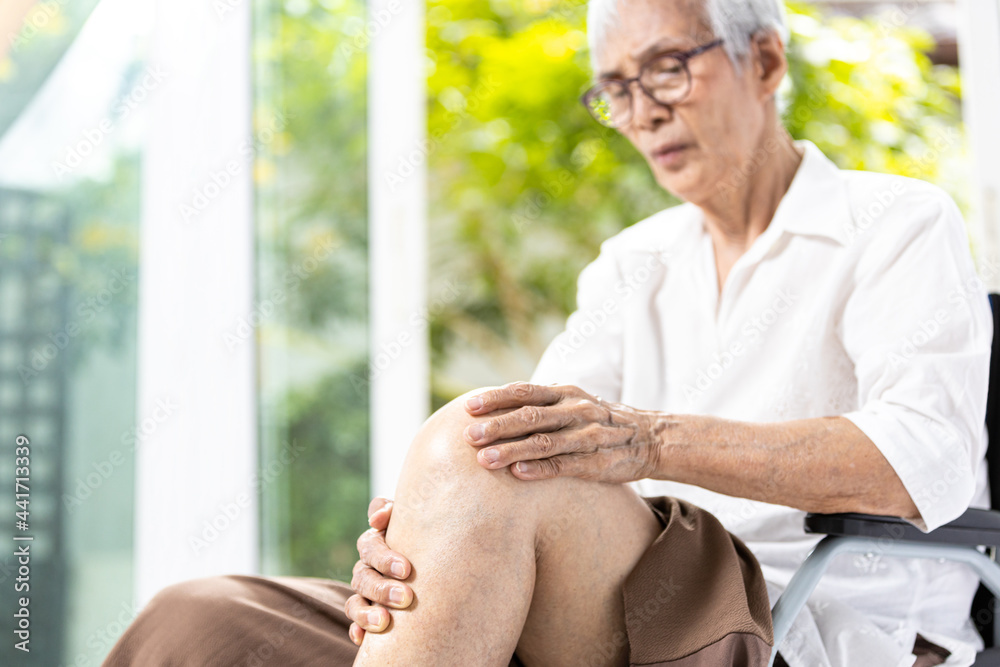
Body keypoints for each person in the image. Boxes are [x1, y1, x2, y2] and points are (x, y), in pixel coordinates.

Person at [102, 0, 992, 665]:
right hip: (595, 595)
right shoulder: (632, 260)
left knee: (485, 453)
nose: (641, 110)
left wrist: (648, 441)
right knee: (202, 617)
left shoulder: (898, 221)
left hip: (794, 609)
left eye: (668, 69)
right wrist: (410, 533)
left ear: (763, 60)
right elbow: (508, 443)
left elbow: (926, 459)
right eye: (615, 89)